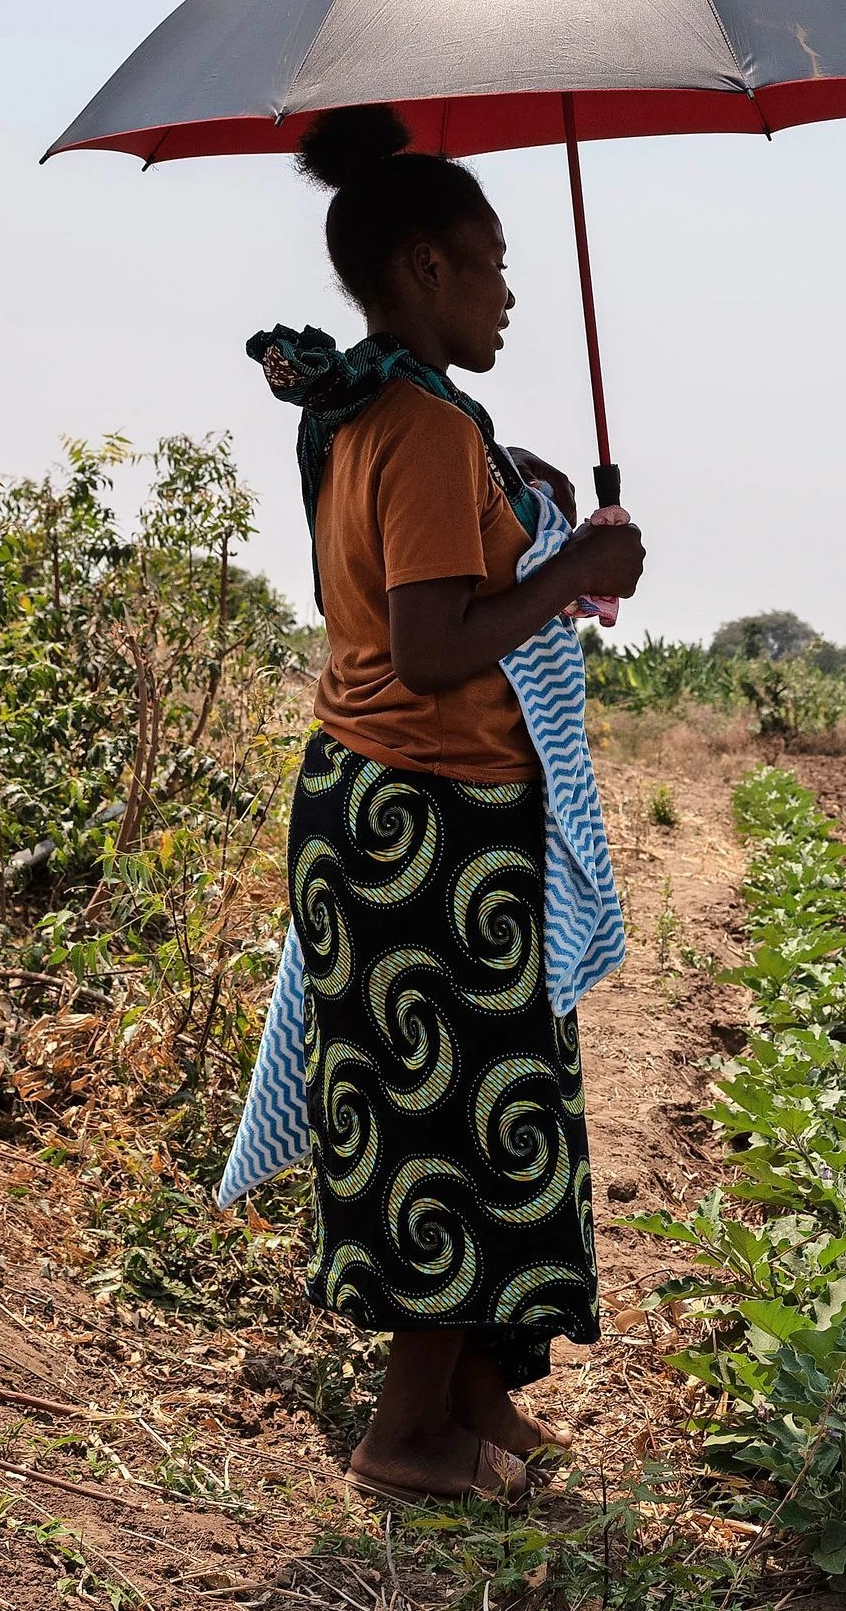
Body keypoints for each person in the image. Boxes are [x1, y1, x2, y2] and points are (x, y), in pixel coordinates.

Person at [268, 103, 645, 1502]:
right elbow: (430, 647)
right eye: (491, 262)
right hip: (418, 819)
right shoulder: (420, 426)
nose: (508, 290)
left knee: (499, 1108)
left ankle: (477, 1392)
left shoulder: (385, 410)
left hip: (406, 814)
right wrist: (582, 566)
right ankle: (407, 1431)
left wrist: (531, 505)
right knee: (448, 1118)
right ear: (423, 267)